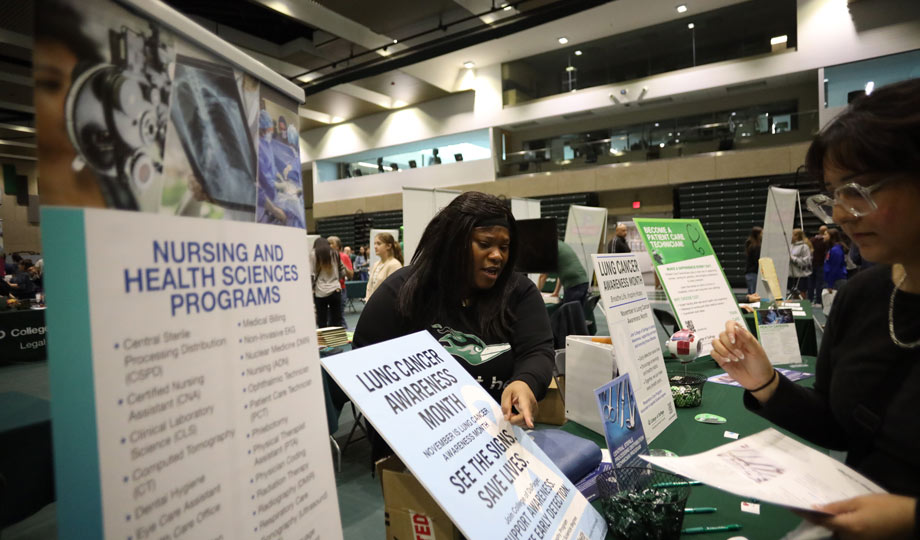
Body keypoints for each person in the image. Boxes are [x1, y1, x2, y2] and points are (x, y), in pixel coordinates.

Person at [711, 78, 920, 540]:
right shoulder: (862, 297)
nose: (842, 213)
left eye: (860, 189)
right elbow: (842, 428)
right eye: (834, 193)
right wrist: (765, 384)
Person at [353, 191, 554, 460]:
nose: (497, 256)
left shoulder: (519, 293)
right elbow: (365, 363)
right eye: (485, 244)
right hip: (422, 452)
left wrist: (526, 382)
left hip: (499, 447)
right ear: (454, 243)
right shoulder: (402, 291)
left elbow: (537, 351)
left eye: (504, 247)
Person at [310, 237, 348, 328]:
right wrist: (335, 279)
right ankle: (338, 341)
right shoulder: (335, 253)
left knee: (322, 321)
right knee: (337, 320)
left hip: (320, 291)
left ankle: (324, 342)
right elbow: (343, 271)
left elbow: (311, 274)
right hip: (336, 289)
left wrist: (311, 288)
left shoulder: (313, 254)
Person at [365, 233, 402, 301]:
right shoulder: (376, 264)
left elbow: (392, 290)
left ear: (388, 246)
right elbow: (369, 287)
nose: (375, 246)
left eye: (379, 244)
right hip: (372, 304)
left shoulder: (394, 264)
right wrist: (367, 300)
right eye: (374, 244)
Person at [550, 240, 589, 306]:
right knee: (576, 312)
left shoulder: (551, 247)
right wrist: (556, 292)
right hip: (583, 282)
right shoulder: (561, 245)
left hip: (574, 285)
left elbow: (543, 276)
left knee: (570, 313)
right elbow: (562, 273)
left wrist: (536, 292)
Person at [327, 236, 354, 327]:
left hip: (340, 290)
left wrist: (341, 264)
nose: (329, 245)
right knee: (330, 318)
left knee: (339, 317)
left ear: (338, 246)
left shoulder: (344, 257)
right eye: (328, 243)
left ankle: (346, 336)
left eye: (331, 243)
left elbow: (351, 274)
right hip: (327, 291)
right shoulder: (325, 257)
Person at [788, 228, 813, 297]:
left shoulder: (804, 247)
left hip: (801, 276)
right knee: (792, 295)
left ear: (797, 236)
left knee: (801, 295)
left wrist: (793, 258)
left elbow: (806, 262)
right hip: (791, 275)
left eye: (792, 235)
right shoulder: (790, 246)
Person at [809, 225, 829, 304]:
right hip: (821, 264)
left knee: (811, 282)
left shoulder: (812, 240)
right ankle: (818, 300)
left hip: (812, 263)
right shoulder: (825, 242)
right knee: (819, 283)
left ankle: (810, 299)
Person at [744, 226, 762, 295]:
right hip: (752, 273)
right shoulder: (754, 246)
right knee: (753, 294)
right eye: (761, 233)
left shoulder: (752, 244)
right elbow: (756, 260)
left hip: (751, 273)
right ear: (757, 234)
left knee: (752, 293)